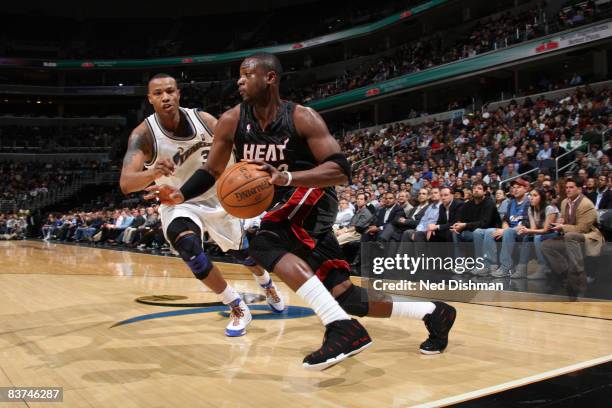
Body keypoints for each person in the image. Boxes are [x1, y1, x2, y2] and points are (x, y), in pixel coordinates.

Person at [147, 53, 455, 370]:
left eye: (247, 74)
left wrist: (288, 177)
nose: (240, 80)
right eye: (238, 75)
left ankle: (342, 328)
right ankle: (434, 312)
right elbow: (211, 171)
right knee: (345, 296)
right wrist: (180, 193)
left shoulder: (301, 117)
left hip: (313, 196)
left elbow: (341, 170)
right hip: (284, 206)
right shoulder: (231, 120)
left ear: (270, 78)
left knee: (264, 243)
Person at [120, 73, 284, 338]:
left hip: (221, 196)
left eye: (170, 91)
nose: (166, 97)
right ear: (150, 99)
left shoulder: (205, 120)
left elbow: (239, 146)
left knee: (244, 254)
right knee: (189, 247)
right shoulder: (144, 135)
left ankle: (265, 283)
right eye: (159, 93)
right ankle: (236, 305)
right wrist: (152, 174)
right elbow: (127, 183)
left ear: (178, 93)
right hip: (178, 201)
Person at [541, 178, 604, 296]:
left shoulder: (587, 204)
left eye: (571, 187)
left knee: (570, 236)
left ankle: (579, 274)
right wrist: (561, 221)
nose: (568, 190)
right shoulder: (565, 202)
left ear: (579, 189)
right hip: (571, 235)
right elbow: (566, 220)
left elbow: (582, 229)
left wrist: (562, 227)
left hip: (589, 236)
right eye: (567, 187)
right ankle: (566, 272)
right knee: (546, 245)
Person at [513, 189, 559, 279]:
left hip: (554, 234)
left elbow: (546, 230)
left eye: (535, 195)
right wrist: (525, 229)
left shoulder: (549, 209)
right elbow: (533, 228)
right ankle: (522, 268)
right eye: (530, 195)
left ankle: (543, 268)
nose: (531, 198)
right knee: (527, 237)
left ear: (541, 198)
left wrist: (528, 230)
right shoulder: (531, 209)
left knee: (537, 237)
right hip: (541, 234)